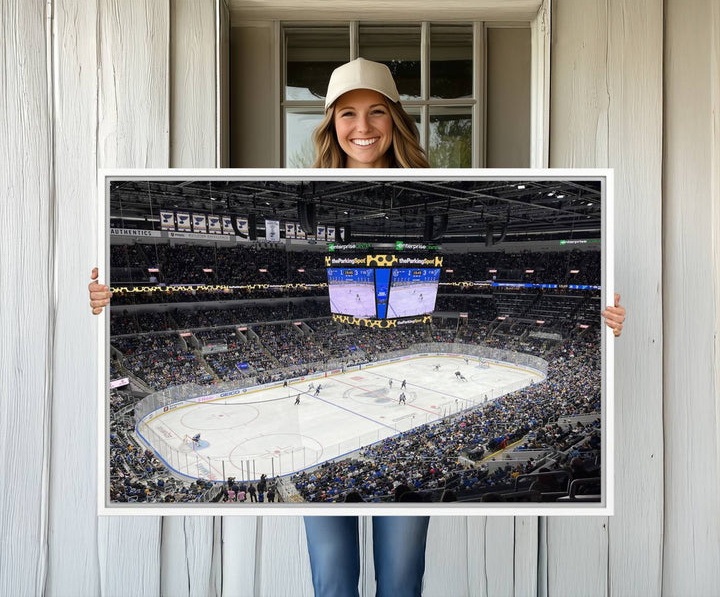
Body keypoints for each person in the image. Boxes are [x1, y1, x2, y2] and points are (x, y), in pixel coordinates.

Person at [89, 57, 626, 597]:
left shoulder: (445, 186)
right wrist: (103, 301)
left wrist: (608, 320)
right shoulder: (296, 189)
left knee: (400, 579)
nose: (362, 127)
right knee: (333, 581)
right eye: (347, 114)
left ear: (396, 119)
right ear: (330, 124)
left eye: (376, 113)